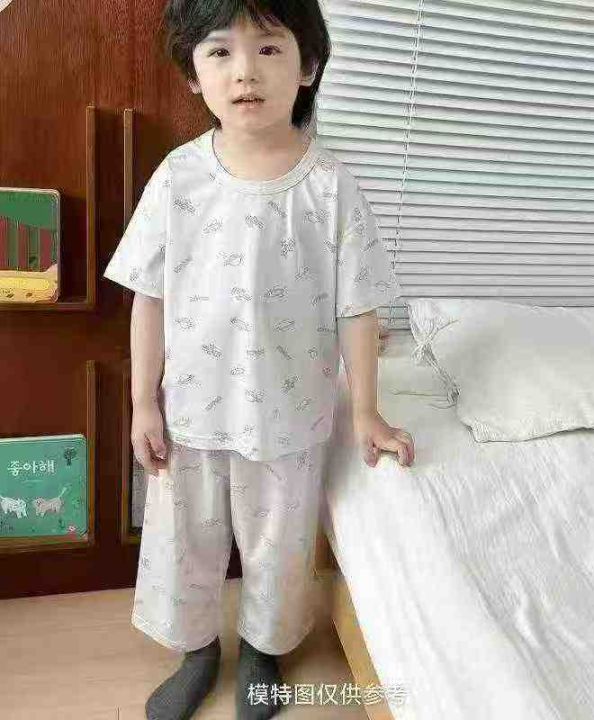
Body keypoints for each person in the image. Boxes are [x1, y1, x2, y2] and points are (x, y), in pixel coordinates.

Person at [102, 1, 415, 718]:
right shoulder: (178, 177)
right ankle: (197, 651)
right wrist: (143, 403)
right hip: (190, 413)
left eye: (270, 49)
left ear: (308, 67)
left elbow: (358, 307)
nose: (245, 71)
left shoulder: (331, 186)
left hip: (290, 414)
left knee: (278, 546)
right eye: (220, 52)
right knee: (184, 541)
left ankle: (263, 652)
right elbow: (148, 296)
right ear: (193, 75)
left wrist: (367, 411)